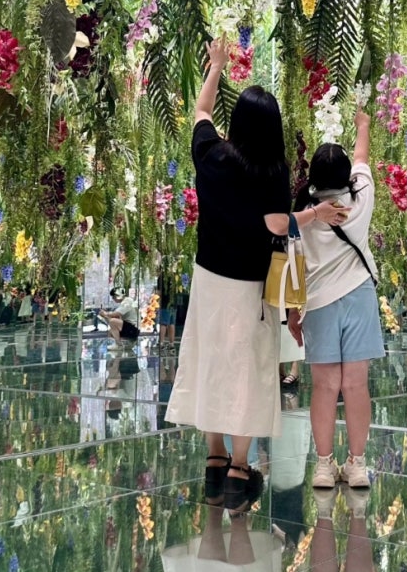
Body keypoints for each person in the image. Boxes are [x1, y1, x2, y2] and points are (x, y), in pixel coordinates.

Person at [164, 37, 342, 511]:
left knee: (210, 361)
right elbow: (277, 225)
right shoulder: (272, 172)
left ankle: (214, 461)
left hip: (209, 280)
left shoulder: (211, 155)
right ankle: (240, 470)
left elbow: (201, 111)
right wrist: (315, 215)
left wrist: (217, 65)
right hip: (251, 288)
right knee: (246, 370)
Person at [287, 109, 385, 490]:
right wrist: (363, 124)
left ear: (312, 177)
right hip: (359, 297)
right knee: (356, 384)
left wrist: (293, 313)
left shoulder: (304, 212)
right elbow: (362, 156)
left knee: (325, 386)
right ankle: (357, 465)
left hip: (319, 304)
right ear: (346, 177)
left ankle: (324, 467)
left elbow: (294, 263)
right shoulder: (361, 198)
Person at [156, 268, 177, 353]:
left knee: (163, 323)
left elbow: (159, 293)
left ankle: (161, 343)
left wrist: (156, 299)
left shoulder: (161, 277)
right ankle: (171, 344)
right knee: (171, 323)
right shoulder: (174, 276)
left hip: (165, 303)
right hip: (173, 303)